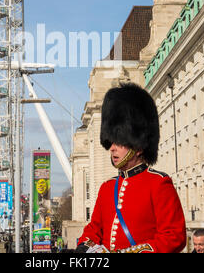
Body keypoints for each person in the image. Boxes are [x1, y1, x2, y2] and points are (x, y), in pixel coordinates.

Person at [76, 83, 187, 253]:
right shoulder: (107, 188)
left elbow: (174, 236)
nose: (112, 148)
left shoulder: (158, 183)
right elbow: (94, 229)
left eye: (119, 142)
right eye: (111, 142)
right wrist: (85, 246)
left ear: (139, 146)